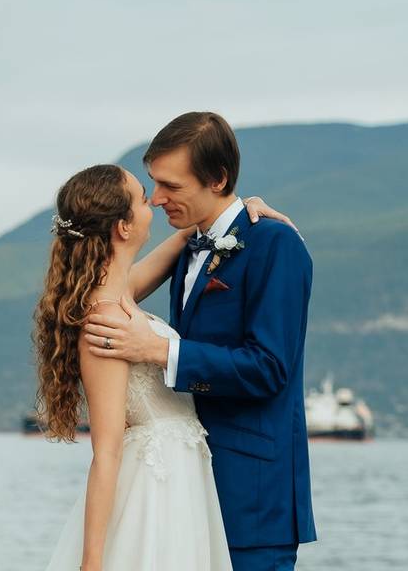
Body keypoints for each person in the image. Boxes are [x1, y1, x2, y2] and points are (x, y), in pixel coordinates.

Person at [82, 112, 316, 571]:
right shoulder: (189, 246)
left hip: (250, 497)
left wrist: (158, 350)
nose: (157, 198)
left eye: (172, 186)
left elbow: (270, 367)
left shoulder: (274, 244)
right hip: (182, 497)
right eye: (154, 183)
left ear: (217, 179)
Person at [35, 161, 295, 571]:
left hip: (184, 480)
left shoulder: (119, 292)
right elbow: (105, 452)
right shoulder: (104, 320)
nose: (153, 203)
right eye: (142, 198)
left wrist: (243, 213)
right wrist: (92, 560)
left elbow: (193, 234)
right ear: (122, 226)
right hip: (153, 490)